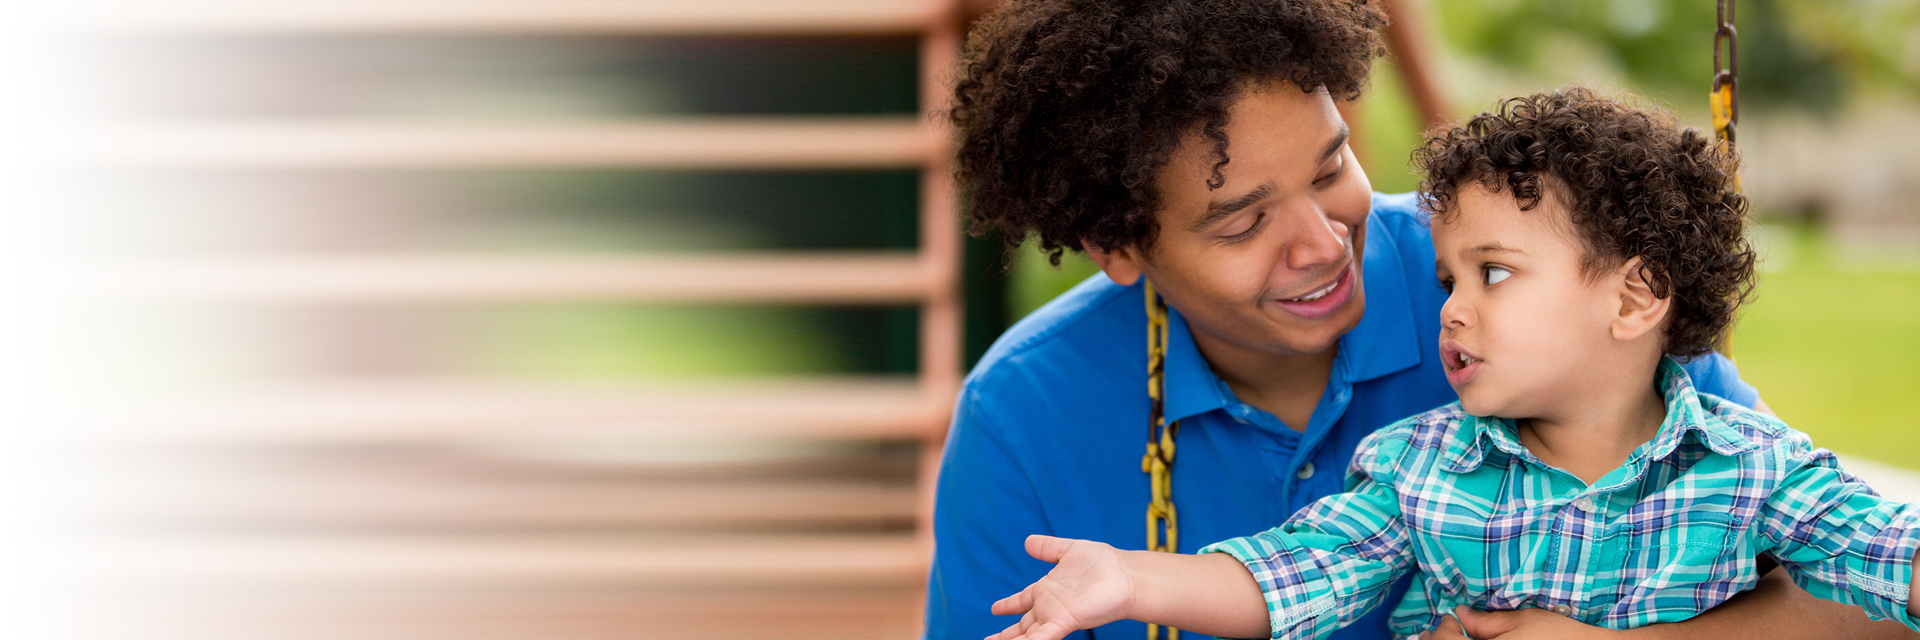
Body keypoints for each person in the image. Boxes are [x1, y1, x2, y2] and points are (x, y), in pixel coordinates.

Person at [929, 1, 1918, 639]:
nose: (1322, 242)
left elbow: (1864, 583)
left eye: (1331, 167)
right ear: (1121, 245)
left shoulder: (1559, 295)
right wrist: (1134, 580)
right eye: (1242, 221)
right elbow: (1290, 574)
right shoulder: (1028, 415)